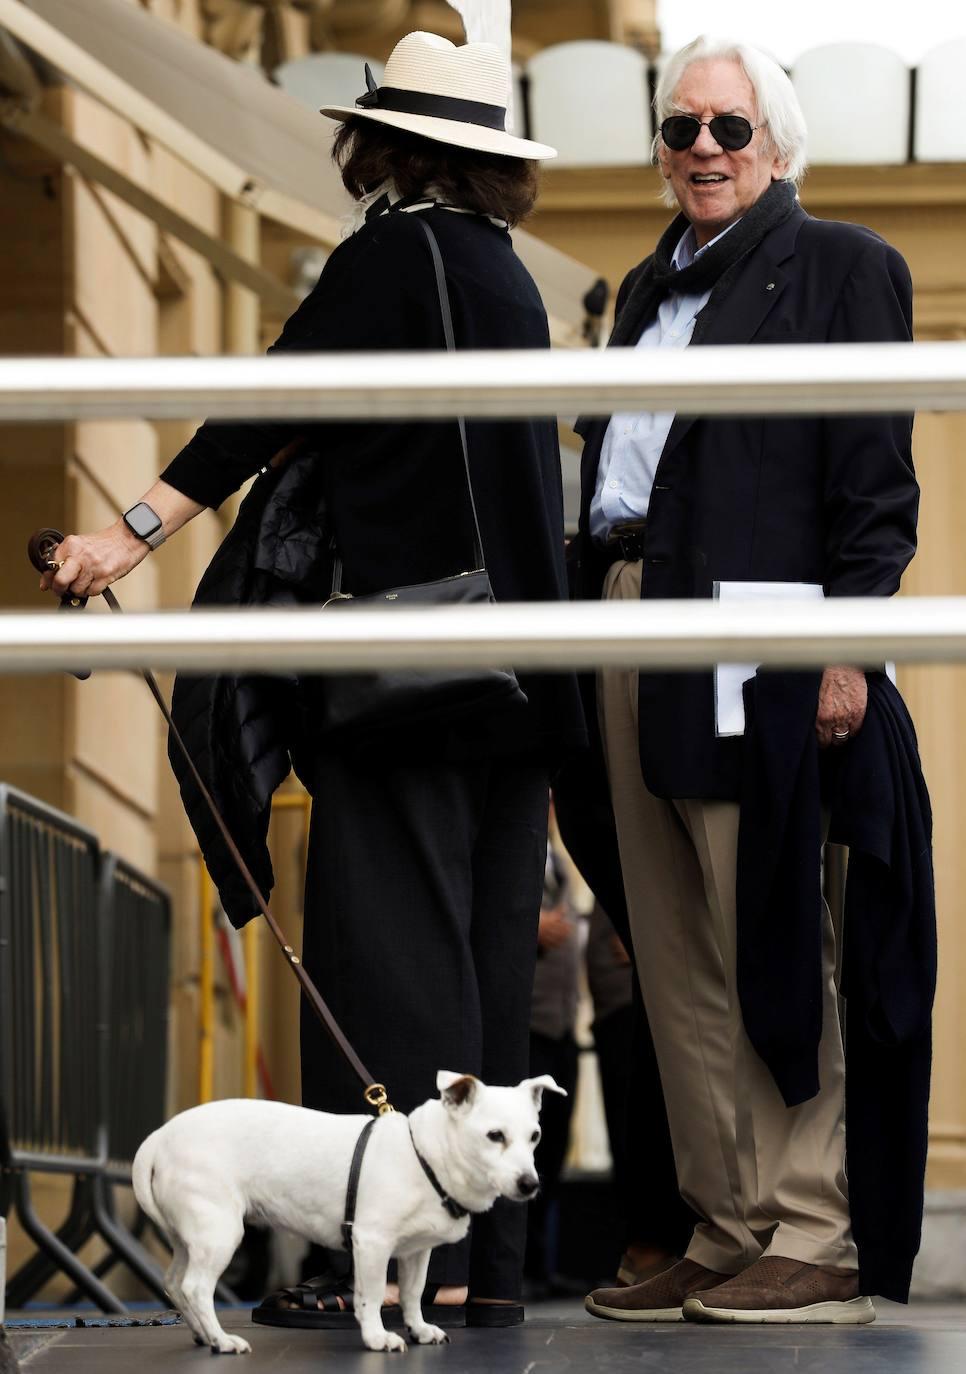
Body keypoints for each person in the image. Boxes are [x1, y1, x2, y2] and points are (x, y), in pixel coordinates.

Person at [39, 30, 586, 1328]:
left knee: (387, 951)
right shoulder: (506, 279)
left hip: (405, 670)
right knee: (478, 958)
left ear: (378, 142)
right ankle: (472, 1265)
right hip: (522, 682)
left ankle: (393, 1263)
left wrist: (129, 528)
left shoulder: (389, 257)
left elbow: (266, 403)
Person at [564, 35, 921, 1324]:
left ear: (776, 143)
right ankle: (728, 1222)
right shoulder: (642, 292)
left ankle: (815, 1226)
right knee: (667, 942)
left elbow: (877, 478)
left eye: (727, 127)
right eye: (679, 130)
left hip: (749, 630)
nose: (702, 148)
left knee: (768, 922)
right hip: (621, 615)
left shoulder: (843, 266)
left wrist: (844, 641)